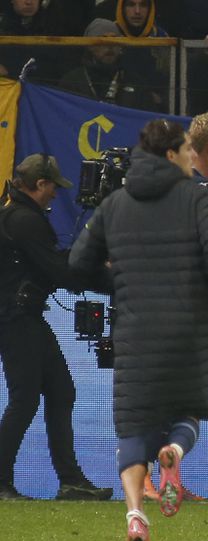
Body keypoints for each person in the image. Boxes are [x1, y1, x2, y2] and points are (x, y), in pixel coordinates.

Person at [69, 119, 208, 541]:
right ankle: (175, 454)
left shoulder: (113, 204)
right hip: (188, 327)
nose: (190, 157)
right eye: (185, 150)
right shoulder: (199, 198)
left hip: (134, 329)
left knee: (132, 423)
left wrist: (119, 284)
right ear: (170, 155)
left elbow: (77, 262)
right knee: (187, 409)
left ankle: (134, 516)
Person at [0, 154, 113, 502]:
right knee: (24, 399)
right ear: (40, 185)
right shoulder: (24, 220)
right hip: (17, 317)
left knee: (61, 391)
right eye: (52, 187)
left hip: (23, 316)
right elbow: (59, 272)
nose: (55, 195)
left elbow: (54, 267)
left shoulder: (15, 215)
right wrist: (106, 273)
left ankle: (70, 480)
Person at [58, 19, 162, 112]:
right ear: (90, 46)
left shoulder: (134, 82)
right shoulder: (72, 81)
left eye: (114, 40)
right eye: (103, 40)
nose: (110, 45)